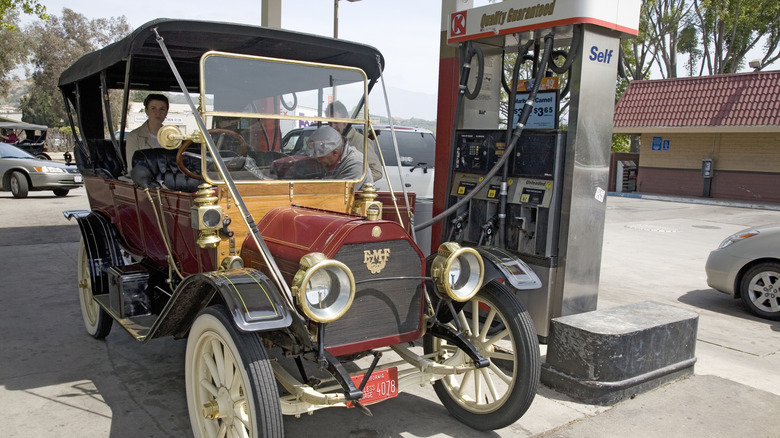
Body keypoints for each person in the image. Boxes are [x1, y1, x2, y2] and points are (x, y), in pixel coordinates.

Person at [327, 101, 382, 182]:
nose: (332, 126)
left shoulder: (361, 141)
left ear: (346, 119)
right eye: (329, 123)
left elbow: (377, 172)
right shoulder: (330, 142)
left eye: (336, 122)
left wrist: (353, 183)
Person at [307, 125, 372, 189]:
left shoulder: (356, 164)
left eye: (321, 156)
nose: (317, 159)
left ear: (335, 153)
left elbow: (339, 192)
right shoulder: (328, 162)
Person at [125, 94, 169, 173]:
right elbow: (132, 168)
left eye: (162, 109)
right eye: (153, 108)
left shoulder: (172, 136)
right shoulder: (134, 137)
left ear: (166, 112)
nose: (158, 113)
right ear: (146, 111)